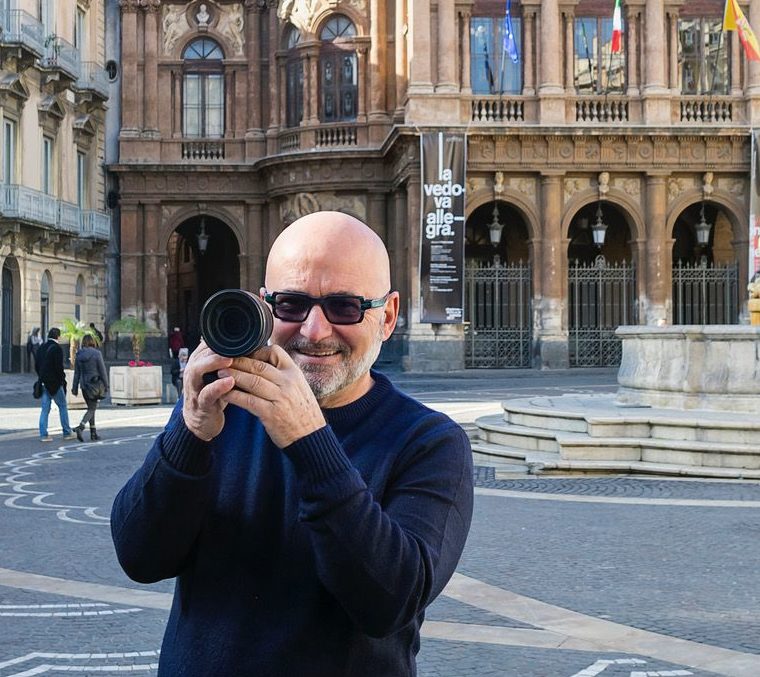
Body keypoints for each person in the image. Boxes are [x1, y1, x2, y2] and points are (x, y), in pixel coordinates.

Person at [111, 211, 474, 676]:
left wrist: (308, 439)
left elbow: (389, 602)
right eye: (292, 304)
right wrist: (189, 431)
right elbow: (140, 556)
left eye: (344, 306)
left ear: (387, 316)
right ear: (264, 308)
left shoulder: (430, 443)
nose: (313, 330)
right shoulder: (220, 408)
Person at [36, 327, 75, 443]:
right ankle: (67, 432)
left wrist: (41, 377)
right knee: (62, 406)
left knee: (45, 409)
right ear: (58, 336)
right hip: (55, 383)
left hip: (43, 382)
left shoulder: (42, 347)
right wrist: (62, 380)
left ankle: (43, 434)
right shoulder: (57, 349)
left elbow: (37, 365)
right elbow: (59, 367)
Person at [71, 334, 109, 442]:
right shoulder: (97, 354)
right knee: (92, 408)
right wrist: (106, 385)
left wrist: (74, 388)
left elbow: (77, 373)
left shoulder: (79, 355)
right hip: (95, 385)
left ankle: (93, 433)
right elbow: (102, 371)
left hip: (84, 386)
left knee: (91, 408)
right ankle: (81, 427)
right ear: (92, 342)